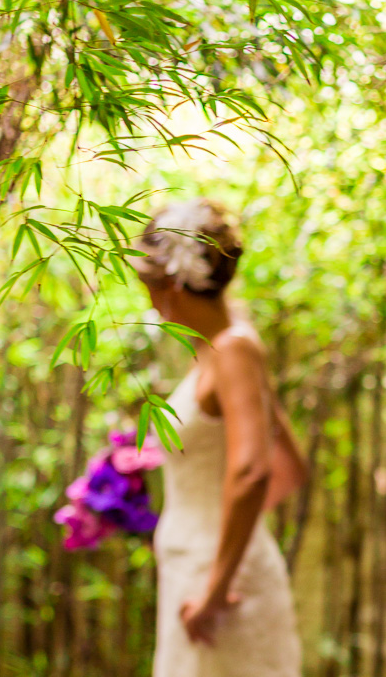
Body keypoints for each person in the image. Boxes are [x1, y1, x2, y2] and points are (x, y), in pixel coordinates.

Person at [130, 197, 309, 677]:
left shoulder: (233, 352)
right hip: (205, 566)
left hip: (216, 585)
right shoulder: (226, 349)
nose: (146, 298)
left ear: (170, 284)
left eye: (146, 285)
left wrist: (216, 583)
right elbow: (293, 468)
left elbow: (255, 471)